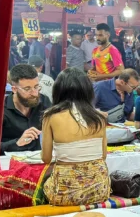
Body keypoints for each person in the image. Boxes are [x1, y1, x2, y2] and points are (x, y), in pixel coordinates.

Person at [36, 68, 111, 205]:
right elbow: (103, 156)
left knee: (40, 184)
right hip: (100, 191)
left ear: (58, 90)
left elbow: (46, 158)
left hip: (64, 194)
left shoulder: (50, 116)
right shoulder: (99, 117)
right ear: (87, 90)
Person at [1, 63, 51, 152]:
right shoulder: (1, 110)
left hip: (39, 157)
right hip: (10, 158)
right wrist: (17, 143)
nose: (34, 93)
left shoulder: (44, 101)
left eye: (36, 87)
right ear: (14, 89)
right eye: (27, 89)